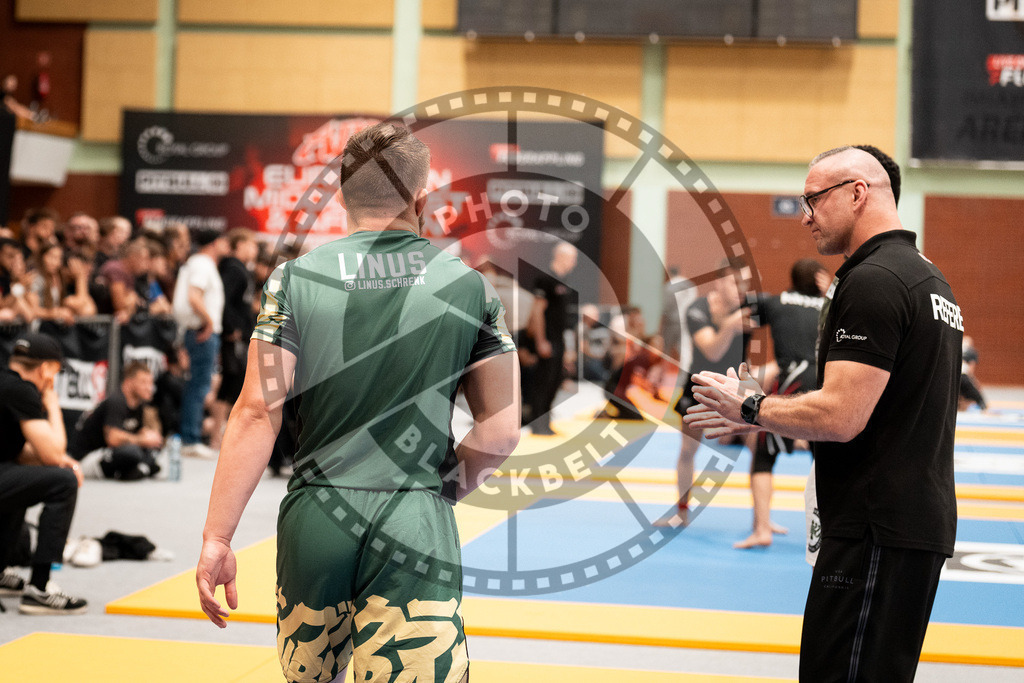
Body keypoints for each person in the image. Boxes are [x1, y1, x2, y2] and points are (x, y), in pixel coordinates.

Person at [196, 122, 520, 683]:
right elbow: (502, 431)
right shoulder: (469, 287)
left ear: (341, 197)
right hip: (413, 516)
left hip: (316, 518)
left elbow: (255, 412)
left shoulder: (292, 280)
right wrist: (438, 493)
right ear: (423, 199)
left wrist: (217, 538)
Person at [685, 146, 961, 681]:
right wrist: (758, 414)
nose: (805, 215)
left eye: (813, 199)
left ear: (858, 193)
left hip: (874, 527)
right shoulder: (929, 279)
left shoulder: (873, 279)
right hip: (904, 520)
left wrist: (752, 406)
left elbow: (842, 415)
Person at [734, 258, 826, 549]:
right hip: (825, 383)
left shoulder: (775, 302)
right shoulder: (831, 305)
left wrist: (744, 363)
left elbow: (740, 315)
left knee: (763, 455)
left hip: (791, 381)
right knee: (824, 461)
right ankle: (827, 533)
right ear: (818, 279)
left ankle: (762, 528)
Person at [0, 333, 87, 614]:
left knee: (23, 472)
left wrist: (58, 459)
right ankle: (39, 587)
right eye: (55, 372)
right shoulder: (22, 390)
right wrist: (51, 402)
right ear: (45, 369)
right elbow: (52, 454)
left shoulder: (6, 383)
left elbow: (22, 452)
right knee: (64, 482)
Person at [663, 260, 750, 526]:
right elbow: (712, 350)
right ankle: (681, 510)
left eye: (745, 283)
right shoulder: (697, 309)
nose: (741, 289)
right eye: (736, 283)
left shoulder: (749, 310)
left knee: (760, 445)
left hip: (733, 386)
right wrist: (731, 325)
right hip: (699, 386)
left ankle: (761, 522)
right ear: (719, 282)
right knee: (688, 449)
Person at [172, 227, 229, 460]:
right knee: (198, 386)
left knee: (198, 385)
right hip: (201, 331)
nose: (228, 245)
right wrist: (208, 322)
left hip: (199, 330)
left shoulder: (200, 263)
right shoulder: (202, 264)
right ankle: (191, 438)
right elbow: (193, 296)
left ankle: (190, 436)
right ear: (214, 243)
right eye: (224, 240)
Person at [70, 361, 163, 480]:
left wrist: (150, 436)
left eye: (150, 383)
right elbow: (113, 438)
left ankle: (140, 469)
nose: (149, 388)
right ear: (129, 382)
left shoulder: (138, 405)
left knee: (152, 447)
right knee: (133, 452)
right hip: (88, 457)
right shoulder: (116, 401)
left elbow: (137, 431)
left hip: (111, 452)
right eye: (144, 382)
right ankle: (141, 468)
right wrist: (142, 440)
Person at [210, 228, 259, 450]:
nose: (254, 250)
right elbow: (224, 300)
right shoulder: (233, 269)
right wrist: (231, 327)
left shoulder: (241, 270)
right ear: (238, 245)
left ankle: (222, 432)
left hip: (241, 332)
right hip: (234, 335)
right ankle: (216, 435)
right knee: (231, 381)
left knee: (234, 382)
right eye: (250, 244)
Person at [523, 242, 578, 435]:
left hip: (559, 338)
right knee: (543, 381)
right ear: (560, 257)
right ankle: (537, 423)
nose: (574, 262)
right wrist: (540, 341)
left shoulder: (563, 282)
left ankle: (545, 421)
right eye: (572, 258)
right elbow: (537, 312)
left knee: (555, 381)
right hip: (548, 339)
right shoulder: (545, 279)